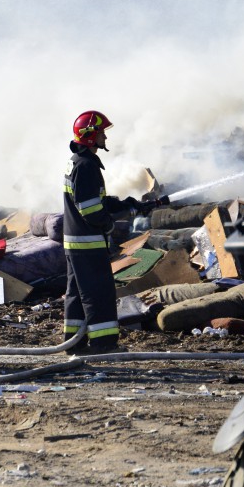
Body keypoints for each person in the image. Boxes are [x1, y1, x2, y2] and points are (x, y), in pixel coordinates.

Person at [62, 110, 165, 354]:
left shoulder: (77, 162)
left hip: (76, 242)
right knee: (98, 293)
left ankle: (74, 343)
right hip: (88, 243)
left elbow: (94, 200)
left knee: (77, 294)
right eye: (101, 133)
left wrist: (128, 204)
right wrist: (108, 225)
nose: (105, 138)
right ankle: (104, 344)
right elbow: (91, 210)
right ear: (89, 136)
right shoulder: (86, 166)